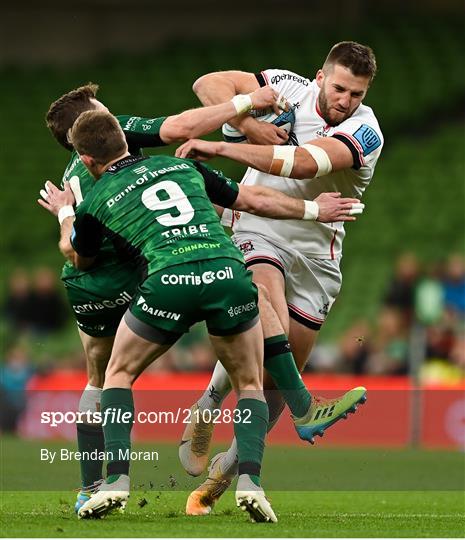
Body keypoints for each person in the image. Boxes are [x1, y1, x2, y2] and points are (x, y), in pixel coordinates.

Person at [39, 110, 362, 522]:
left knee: (115, 374)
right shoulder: (182, 165)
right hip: (226, 273)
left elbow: (79, 258)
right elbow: (251, 200)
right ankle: (253, 483)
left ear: (86, 161)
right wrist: (313, 210)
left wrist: (66, 212)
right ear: (127, 137)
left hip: (168, 281)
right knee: (249, 379)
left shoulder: (97, 200)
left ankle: (114, 483)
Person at [42, 82, 282, 512]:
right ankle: (243, 436)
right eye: (102, 109)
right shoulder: (115, 138)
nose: (111, 114)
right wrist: (246, 102)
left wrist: (64, 213)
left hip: (95, 282)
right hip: (149, 268)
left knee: (103, 378)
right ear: (87, 127)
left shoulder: (81, 169)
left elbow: (75, 251)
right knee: (243, 334)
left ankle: (93, 486)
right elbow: (181, 127)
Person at [175, 40, 383, 515]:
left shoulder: (366, 131)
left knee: (272, 380)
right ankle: (230, 405)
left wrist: (225, 143)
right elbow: (209, 84)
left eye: (357, 93)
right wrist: (248, 122)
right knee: (265, 316)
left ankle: (217, 481)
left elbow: (306, 162)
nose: (345, 100)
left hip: (318, 252)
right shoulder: (286, 87)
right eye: (339, 88)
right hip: (256, 226)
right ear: (319, 77)